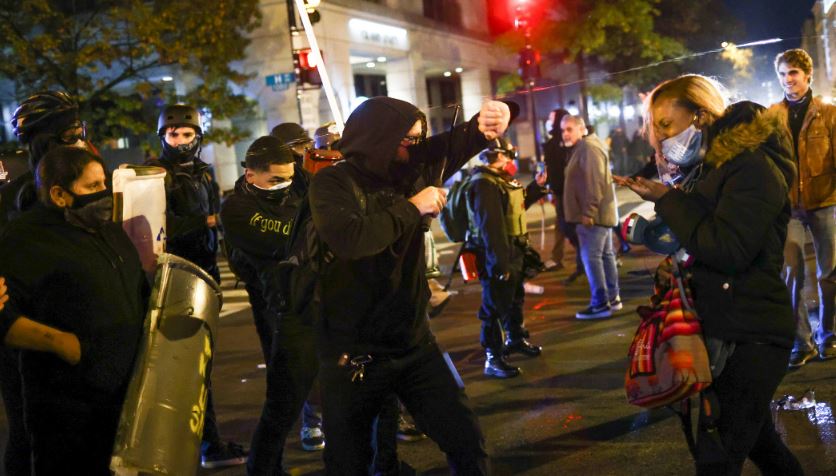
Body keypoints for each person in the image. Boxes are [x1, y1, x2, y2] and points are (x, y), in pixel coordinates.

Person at [309, 96, 514, 475]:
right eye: (409, 139)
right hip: (353, 352)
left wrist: (495, 117)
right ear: (379, 138)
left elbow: (463, 139)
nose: (418, 147)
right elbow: (351, 239)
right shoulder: (332, 183)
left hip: (414, 342)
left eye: (421, 138)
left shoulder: (414, 166)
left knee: (466, 441)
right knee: (348, 462)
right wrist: (413, 207)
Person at [621, 74, 803, 475]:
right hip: (727, 322)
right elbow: (703, 238)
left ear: (700, 116)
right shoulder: (712, 168)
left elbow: (728, 248)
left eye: (666, 125)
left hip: (752, 332)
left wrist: (668, 200)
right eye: (656, 129)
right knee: (761, 445)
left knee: (718, 456)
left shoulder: (752, 166)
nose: (662, 137)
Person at [0, 146, 147, 474]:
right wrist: (65, 345)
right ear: (59, 195)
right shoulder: (24, 241)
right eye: (92, 186)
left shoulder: (107, 230)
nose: (104, 193)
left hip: (121, 397)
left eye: (104, 183)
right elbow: (4, 317)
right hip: (67, 407)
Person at [147, 104, 246, 468]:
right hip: (176, 275)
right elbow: (155, 226)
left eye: (188, 134)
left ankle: (205, 441)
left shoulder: (204, 174)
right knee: (188, 364)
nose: (181, 141)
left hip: (206, 270)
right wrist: (203, 221)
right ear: (163, 136)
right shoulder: (155, 176)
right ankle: (204, 445)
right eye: (173, 134)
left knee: (201, 362)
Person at [220, 136, 325, 473]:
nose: (285, 185)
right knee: (283, 404)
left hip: (320, 302)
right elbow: (289, 236)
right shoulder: (236, 209)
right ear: (250, 175)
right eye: (276, 179)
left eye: (290, 177)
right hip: (284, 310)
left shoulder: (297, 188)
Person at [0, 90, 89, 476]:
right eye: (69, 135)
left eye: (78, 132)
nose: (78, 142)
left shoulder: (87, 189)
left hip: (79, 331)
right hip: (26, 338)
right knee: (28, 434)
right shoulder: (13, 199)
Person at [770, 48, 836, 368]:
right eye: (782, 74)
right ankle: (801, 341)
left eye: (793, 73)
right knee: (791, 273)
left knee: (829, 274)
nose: (787, 79)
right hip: (789, 208)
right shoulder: (773, 116)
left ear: (807, 75)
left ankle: (829, 335)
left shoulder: (829, 113)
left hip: (825, 201)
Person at [466, 138, 545, 378]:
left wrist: (536, 188)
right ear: (500, 156)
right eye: (510, 155)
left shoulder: (499, 180)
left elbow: (514, 209)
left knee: (514, 299)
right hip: (498, 254)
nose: (512, 160)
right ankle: (493, 357)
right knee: (494, 305)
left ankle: (515, 339)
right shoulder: (484, 184)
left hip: (513, 251)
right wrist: (499, 265)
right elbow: (491, 228)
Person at [561, 115, 622, 319]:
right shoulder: (588, 146)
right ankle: (612, 298)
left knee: (592, 257)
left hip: (593, 216)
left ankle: (600, 303)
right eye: (563, 130)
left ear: (581, 129)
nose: (565, 134)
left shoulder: (588, 148)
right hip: (599, 214)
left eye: (569, 129)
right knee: (605, 255)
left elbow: (594, 183)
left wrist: (588, 212)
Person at [542, 108, 583, 278]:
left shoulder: (567, 144)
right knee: (563, 226)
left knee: (569, 226)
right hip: (559, 191)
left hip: (567, 191)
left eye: (552, 118)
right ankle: (574, 259)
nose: (550, 121)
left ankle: (583, 259)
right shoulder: (554, 143)